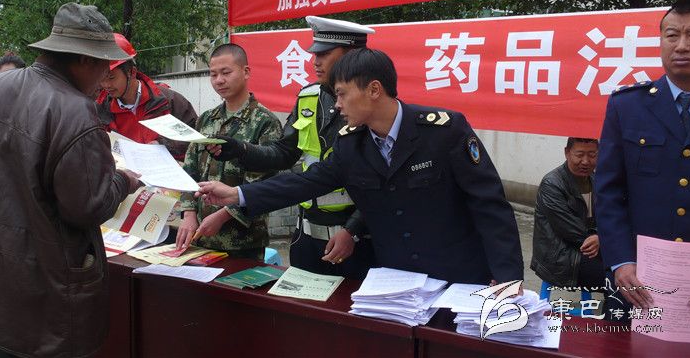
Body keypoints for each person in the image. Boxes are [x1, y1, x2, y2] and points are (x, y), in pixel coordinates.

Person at [198, 49, 524, 284]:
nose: (337, 106)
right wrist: (238, 195)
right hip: (395, 281)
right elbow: (306, 182)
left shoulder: (444, 131)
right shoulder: (351, 144)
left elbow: (490, 206)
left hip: (459, 277)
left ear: (374, 90)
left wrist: (508, 280)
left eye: (341, 95)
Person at [0, 3, 142, 357]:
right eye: (103, 66)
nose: (104, 80)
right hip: (40, 295)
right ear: (84, 59)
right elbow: (88, 206)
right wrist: (123, 181)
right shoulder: (75, 110)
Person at [209, 16, 376, 280]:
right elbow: (284, 153)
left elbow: (381, 182)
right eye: (315, 54)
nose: (315, 61)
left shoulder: (371, 104)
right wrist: (240, 150)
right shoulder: (308, 97)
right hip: (306, 238)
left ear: (352, 55)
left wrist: (353, 229)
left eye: (324, 54)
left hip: (357, 242)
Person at [595, 0, 690, 325]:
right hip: (635, 283)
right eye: (671, 35)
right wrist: (620, 261)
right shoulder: (627, 106)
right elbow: (608, 192)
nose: (681, 46)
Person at [175, 43, 283, 260]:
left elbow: (264, 184)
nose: (219, 80)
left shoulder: (265, 122)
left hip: (243, 242)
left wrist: (222, 216)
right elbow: (189, 170)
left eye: (226, 73)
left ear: (246, 72)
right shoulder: (206, 119)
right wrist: (188, 214)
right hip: (200, 238)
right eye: (213, 74)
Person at [97, 33, 198, 160]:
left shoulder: (170, 102)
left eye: (111, 77)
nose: (106, 85)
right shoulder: (99, 111)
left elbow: (196, 142)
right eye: (101, 78)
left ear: (132, 72)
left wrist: (162, 146)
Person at [531, 138, 605, 290]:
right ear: (567, 152)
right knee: (615, 275)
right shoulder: (552, 183)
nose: (586, 161)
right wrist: (605, 239)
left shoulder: (596, 180)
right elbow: (571, 231)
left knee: (626, 264)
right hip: (561, 258)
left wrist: (601, 237)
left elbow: (608, 216)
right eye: (579, 155)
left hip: (590, 247)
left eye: (592, 155)